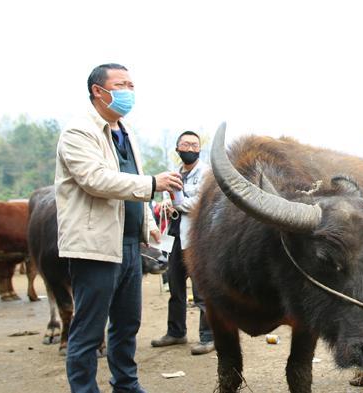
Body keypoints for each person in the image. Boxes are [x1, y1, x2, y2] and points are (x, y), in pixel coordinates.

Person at [55, 63, 183, 393]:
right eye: (121, 85)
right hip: (95, 246)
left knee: (127, 325)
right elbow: (95, 180)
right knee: (88, 329)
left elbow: (130, 183)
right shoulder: (79, 132)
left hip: (128, 245)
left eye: (131, 85)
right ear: (99, 91)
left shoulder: (124, 131)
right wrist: (153, 183)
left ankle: (126, 385)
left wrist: (150, 223)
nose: (129, 91)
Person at [150, 131, 214, 355]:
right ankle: (176, 332)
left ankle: (208, 337)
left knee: (201, 290)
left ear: (199, 149)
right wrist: (167, 202)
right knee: (175, 287)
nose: (190, 148)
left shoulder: (206, 173)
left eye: (194, 145)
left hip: (195, 238)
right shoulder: (174, 173)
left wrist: (177, 203)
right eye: (185, 144)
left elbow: (199, 202)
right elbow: (166, 196)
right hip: (173, 235)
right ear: (177, 149)